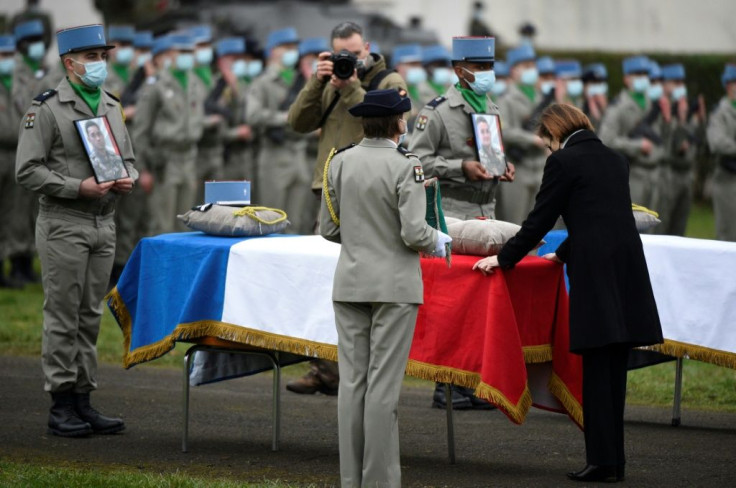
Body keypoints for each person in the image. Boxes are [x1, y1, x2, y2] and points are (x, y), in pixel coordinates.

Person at [473, 103, 663, 483]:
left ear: (555, 133)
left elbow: (539, 219)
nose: (548, 151)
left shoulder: (563, 163)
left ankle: (601, 462)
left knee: (595, 369)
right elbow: (600, 217)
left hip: (594, 275)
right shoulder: (615, 159)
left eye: (547, 144)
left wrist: (504, 259)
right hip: (626, 273)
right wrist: (560, 254)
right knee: (614, 372)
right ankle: (613, 462)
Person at [319, 88, 450, 488]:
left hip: (351, 282)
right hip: (394, 286)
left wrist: (364, 238)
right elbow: (413, 232)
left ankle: (351, 479)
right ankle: (378, 481)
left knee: (353, 384)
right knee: (382, 389)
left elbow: (328, 228)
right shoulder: (405, 165)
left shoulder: (339, 162)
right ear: (397, 123)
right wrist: (439, 240)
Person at [15, 24, 137, 437]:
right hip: (65, 221)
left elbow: (128, 157)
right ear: (69, 63)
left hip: (104, 221)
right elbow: (27, 170)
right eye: (91, 57)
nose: (99, 64)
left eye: (103, 56)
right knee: (63, 315)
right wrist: (75, 187)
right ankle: (60, 402)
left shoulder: (110, 103)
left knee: (89, 316)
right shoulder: (47, 108)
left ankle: (84, 398)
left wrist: (128, 176)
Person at [286, 21, 407, 395]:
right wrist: (317, 81)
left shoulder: (387, 81)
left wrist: (353, 84)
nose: (348, 60)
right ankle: (325, 368)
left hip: (368, 193)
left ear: (366, 47)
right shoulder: (329, 82)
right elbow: (297, 123)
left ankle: (361, 368)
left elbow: (385, 126)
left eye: (354, 54)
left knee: (362, 284)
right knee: (326, 282)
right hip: (327, 188)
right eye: (341, 54)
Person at [409, 36, 514, 409]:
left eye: (489, 67)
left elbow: (492, 152)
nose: (487, 74)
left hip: (487, 208)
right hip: (452, 211)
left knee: (479, 300)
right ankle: (446, 385)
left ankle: (472, 380)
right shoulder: (436, 112)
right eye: (479, 67)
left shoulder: (490, 106)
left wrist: (502, 167)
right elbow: (415, 161)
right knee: (451, 300)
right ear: (459, 70)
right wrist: (460, 168)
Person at [133, 32, 205, 234]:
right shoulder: (156, 85)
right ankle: (158, 267)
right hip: (165, 160)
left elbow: (197, 119)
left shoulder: (194, 82)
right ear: (171, 54)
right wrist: (143, 169)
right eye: (182, 51)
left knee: (185, 225)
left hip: (188, 158)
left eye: (190, 52)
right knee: (162, 226)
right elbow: (141, 130)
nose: (186, 56)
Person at [246, 27, 311, 234]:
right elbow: (252, 116)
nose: (292, 51)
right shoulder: (263, 83)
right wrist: (283, 118)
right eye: (286, 47)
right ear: (273, 51)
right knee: (272, 222)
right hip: (275, 155)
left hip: (298, 154)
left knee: (297, 223)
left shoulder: (301, 82)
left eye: (294, 47)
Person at [598, 56, 666, 211]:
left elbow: (660, 137)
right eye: (637, 74)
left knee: (654, 229)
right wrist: (637, 145)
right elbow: (606, 140)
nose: (643, 78)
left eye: (645, 74)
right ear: (626, 79)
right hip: (632, 176)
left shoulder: (652, 104)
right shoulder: (618, 106)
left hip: (654, 174)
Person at [494, 44, 547, 225]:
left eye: (532, 65)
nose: (530, 70)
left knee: (538, 226)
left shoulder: (542, 98)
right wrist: (531, 139)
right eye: (525, 66)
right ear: (513, 71)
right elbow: (503, 130)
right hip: (517, 167)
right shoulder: (506, 99)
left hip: (540, 167)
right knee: (514, 225)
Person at [658, 63, 705, 236]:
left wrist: (699, 119)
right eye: (675, 82)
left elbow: (698, 140)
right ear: (664, 84)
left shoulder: (684, 107)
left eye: (681, 82)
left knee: (680, 227)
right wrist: (680, 121)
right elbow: (666, 142)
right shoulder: (661, 108)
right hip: (669, 173)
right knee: (663, 226)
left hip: (686, 173)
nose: (680, 87)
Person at [706, 64, 736, 242]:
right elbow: (716, 143)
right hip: (727, 181)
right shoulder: (721, 113)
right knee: (728, 236)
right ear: (728, 85)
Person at [581, 63, 609, 130]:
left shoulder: (612, 106)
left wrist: (604, 109)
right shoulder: (579, 106)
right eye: (594, 83)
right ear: (584, 85)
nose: (597, 88)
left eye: (600, 83)